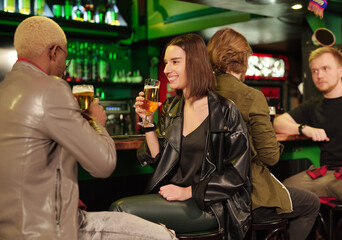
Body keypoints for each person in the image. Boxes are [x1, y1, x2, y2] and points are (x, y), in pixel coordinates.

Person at [0, 16, 176, 240]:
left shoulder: (4, 91)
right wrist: (96, 123)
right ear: (54, 51)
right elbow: (103, 165)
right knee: (163, 236)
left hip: (11, 228)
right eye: (66, 56)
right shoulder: (52, 87)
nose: (66, 66)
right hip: (52, 228)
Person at [134, 33, 252, 239]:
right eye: (165, 63)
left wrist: (190, 191)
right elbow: (160, 160)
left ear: (195, 63)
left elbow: (237, 175)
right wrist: (147, 122)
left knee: (121, 211)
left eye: (175, 62)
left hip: (211, 206)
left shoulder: (225, 111)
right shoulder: (171, 108)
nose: (166, 70)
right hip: (174, 198)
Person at [207, 27, 320, 240]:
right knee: (311, 203)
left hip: (207, 193)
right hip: (246, 195)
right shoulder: (251, 96)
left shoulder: (199, 92)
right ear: (243, 59)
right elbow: (271, 157)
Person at [274, 46, 342, 240]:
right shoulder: (314, 105)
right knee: (281, 194)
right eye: (315, 71)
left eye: (325, 68)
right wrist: (305, 128)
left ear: (340, 71)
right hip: (323, 174)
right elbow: (278, 122)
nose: (319, 75)